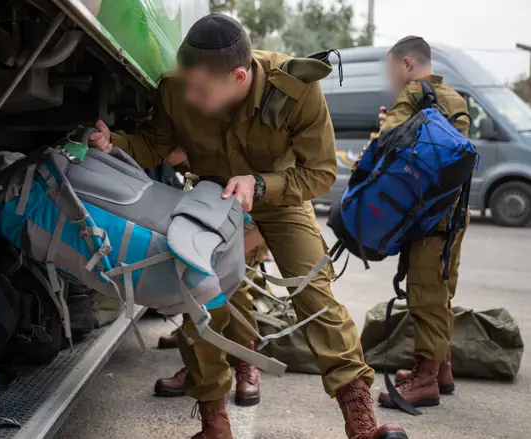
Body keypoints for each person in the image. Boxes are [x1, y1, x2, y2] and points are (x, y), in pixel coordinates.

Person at [89, 13, 406, 439]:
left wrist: (261, 185)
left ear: (240, 76)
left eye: (202, 90)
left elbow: (320, 173)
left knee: (314, 291)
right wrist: (117, 145)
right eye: (189, 86)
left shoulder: (296, 91)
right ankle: (214, 425)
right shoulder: (178, 88)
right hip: (211, 198)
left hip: (280, 196)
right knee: (197, 294)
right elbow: (156, 143)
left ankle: (361, 421)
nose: (193, 99)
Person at [365, 36, 470, 410]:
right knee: (441, 293)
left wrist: (380, 134)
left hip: (427, 220)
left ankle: (425, 380)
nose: (391, 79)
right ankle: (441, 368)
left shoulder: (411, 96)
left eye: (392, 70)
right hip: (455, 217)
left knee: (424, 296)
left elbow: (382, 146)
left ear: (407, 64)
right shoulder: (455, 99)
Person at [154, 224, 268, 407]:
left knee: (234, 286)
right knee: (197, 283)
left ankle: (245, 362)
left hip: (255, 215)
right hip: (208, 213)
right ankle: (199, 367)